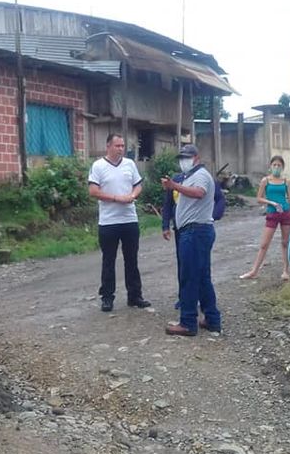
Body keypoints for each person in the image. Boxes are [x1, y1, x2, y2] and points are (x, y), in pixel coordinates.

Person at [161, 144, 222, 336]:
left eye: (186, 157)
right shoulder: (189, 176)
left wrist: (174, 186)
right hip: (195, 231)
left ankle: (188, 322)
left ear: (196, 158)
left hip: (195, 232)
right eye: (181, 158)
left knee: (189, 277)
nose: (183, 161)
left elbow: (199, 193)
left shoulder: (201, 175)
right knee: (202, 277)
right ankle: (212, 318)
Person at [88, 133, 151, 312]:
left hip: (129, 219)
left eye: (123, 146)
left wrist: (132, 195)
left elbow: (138, 184)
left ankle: (135, 296)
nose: (121, 149)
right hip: (108, 221)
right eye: (117, 146)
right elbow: (93, 191)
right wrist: (116, 198)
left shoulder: (129, 164)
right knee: (109, 260)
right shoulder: (98, 166)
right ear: (108, 146)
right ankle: (107, 297)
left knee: (132, 259)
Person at [162, 170, 226, 309]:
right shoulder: (176, 179)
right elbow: (167, 204)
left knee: (202, 267)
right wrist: (165, 225)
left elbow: (220, 199)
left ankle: (202, 302)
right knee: (183, 265)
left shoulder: (204, 178)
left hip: (199, 227)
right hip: (180, 228)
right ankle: (184, 298)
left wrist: (213, 216)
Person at [240, 155, 290, 282]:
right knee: (264, 244)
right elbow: (259, 198)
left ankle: (286, 270)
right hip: (272, 214)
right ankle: (254, 271)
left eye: (279, 165)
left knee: (285, 242)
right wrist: (271, 203)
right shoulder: (265, 181)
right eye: (274, 165)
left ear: (283, 167)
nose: (276, 167)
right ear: (270, 166)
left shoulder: (286, 181)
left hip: (285, 213)